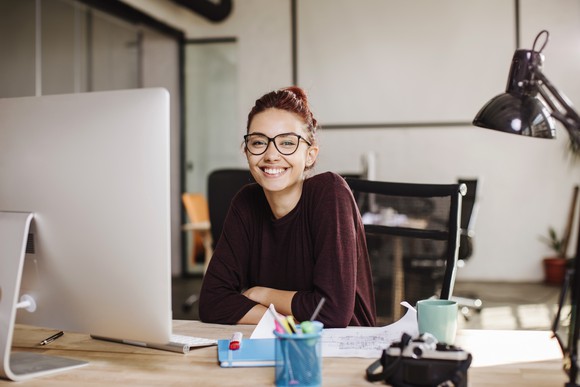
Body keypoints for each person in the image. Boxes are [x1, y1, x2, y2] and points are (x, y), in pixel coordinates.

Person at [198, 86, 376, 328]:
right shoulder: (246, 202)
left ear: (310, 155)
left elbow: (332, 313)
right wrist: (283, 325)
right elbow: (212, 301)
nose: (272, 155)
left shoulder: (330, 192)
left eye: (287, 143)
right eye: (259, 142)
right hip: (278, 344)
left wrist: (260, 294)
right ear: (246, 151)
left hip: (344, 351)